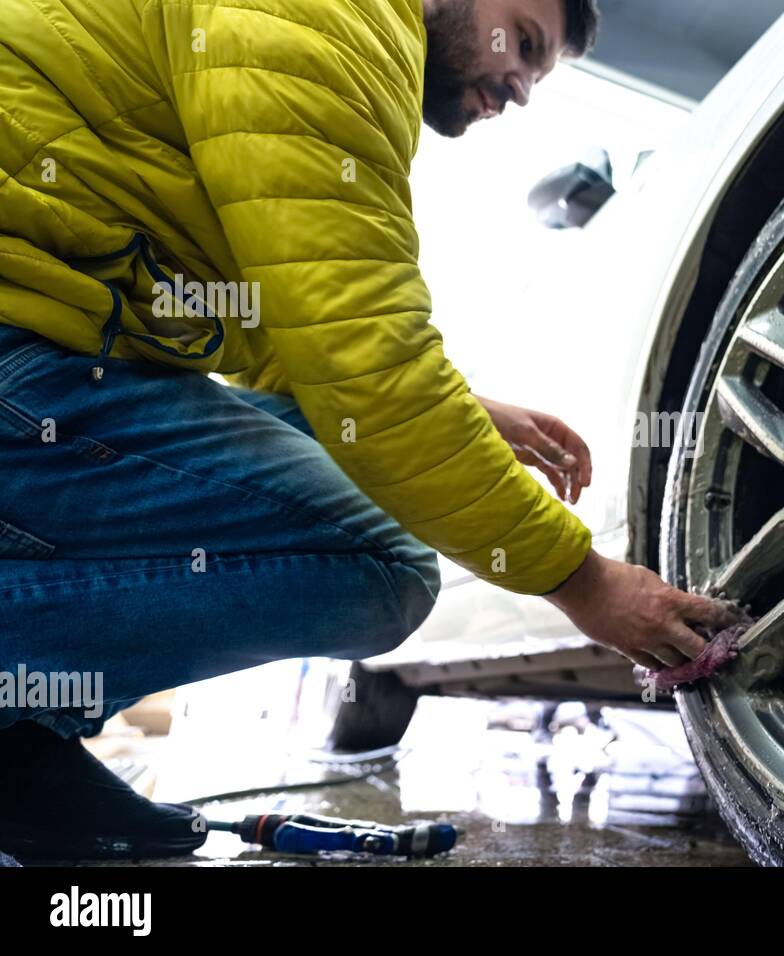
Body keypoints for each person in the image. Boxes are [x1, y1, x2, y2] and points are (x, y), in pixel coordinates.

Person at [0, 0, 741, 861]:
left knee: (358, 482)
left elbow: (292, 339)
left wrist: (459, 411)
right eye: (525, 43)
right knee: (380, 563)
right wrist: (583, 583)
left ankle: (19, 741)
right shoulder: (328, 23)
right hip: (25, 350)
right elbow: (364, 366)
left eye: (539, 77)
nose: (520, 90)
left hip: (41, 343)